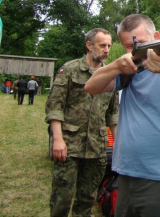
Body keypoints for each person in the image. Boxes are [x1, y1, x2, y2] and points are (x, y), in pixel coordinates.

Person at [84, 14, 160, 217]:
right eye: (129, 46)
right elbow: (91, 87)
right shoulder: (129, 68)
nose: (136, 51)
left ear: (156, 37)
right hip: (127, 173)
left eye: (141, 44)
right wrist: (115, 66)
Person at [45, 28, 119, 217]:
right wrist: (58, 139)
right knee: (62, 197)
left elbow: (113, 114)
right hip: (70, 144)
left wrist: (118, 143)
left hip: (97, 147)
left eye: (109, 46)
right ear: (89, 45)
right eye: (102, 45)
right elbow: (55, 106)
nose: (107, 50)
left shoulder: (110, 74)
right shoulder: (69, 70)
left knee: (87, 199)